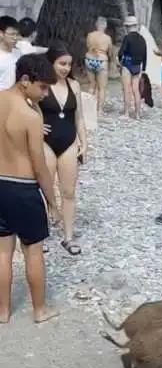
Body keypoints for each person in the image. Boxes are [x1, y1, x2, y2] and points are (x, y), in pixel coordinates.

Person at [0, 54, 60, 323]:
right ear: (25, 80)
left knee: (2, 251)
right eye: (43, 87)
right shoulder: (30, 116)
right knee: (33, 250)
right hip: (22, 188)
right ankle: (39, 310)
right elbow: (39, 165)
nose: (45, 94)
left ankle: (3, 311)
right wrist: (53, 201)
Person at [39, 44, 88, 256]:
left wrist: (84, 142)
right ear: (51, 63)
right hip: (45, 142)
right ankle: (40, 237)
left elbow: (79, 117)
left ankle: (68, 237)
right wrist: (36, 125)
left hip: (68, 141)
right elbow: (27, 108)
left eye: (69, 64)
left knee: (68, 192)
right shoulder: (41, 85)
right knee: (45, 191)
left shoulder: (74, 86)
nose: (66, 68)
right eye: (62, 64)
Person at [118, 15, 147, 119]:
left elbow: (121, 52)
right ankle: (138, 114)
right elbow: (145, 55)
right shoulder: (142, 39)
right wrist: (143, 69)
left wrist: (120, 62)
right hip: (137, 66)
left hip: (127, 64)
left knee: (126, 89)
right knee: (136, 90)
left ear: (128, 27)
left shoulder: (127, 38)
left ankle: (126, 113)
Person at [85, 16, 113, 113]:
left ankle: (89, 108)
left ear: (96, 25)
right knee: (102, 87)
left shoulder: (90, 35)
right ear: (105, 26)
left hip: (89, 59)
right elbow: (110, 53)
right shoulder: (108, 38)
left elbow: (88, 46)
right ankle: (99, 109)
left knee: (92, 85)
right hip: (101, 60)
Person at [0, 15, 20, 91]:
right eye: (12, 34)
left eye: (17, 34)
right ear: (1, 33)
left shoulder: (19, 53)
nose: (15, 38)